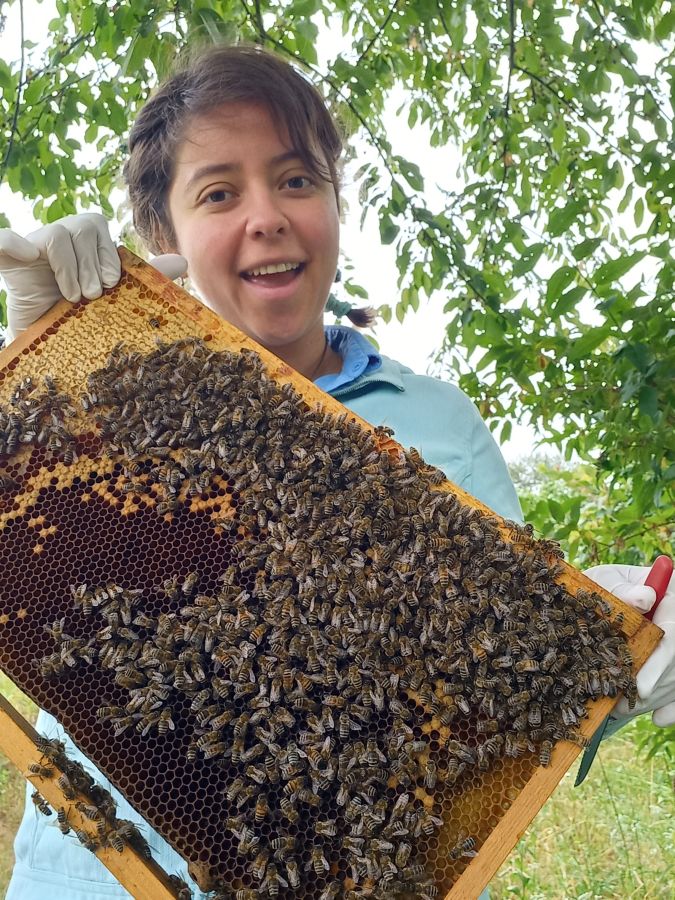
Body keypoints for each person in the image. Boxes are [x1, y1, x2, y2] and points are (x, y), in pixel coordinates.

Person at [0, 43, 673, 900]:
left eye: (296, 180)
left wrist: (617, 650)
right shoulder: (85, 408)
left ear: (335, 205)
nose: (267, 216)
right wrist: (28, 364)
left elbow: (499, 696)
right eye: (218, 191)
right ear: (160, 237)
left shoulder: (439, 425)